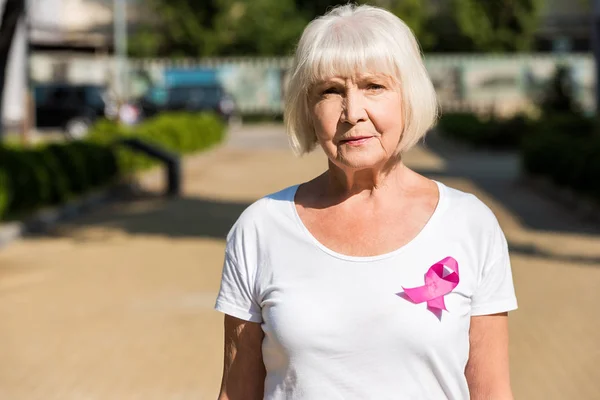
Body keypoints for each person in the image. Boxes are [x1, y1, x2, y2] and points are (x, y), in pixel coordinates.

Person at [214, 4, 518, 400]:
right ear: (309, 107)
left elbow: (493, 392)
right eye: (330, 91)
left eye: (374, 86)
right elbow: (236, 394)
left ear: (408, 97)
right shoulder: (261, 228)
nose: (352, 113)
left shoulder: (470, 224)